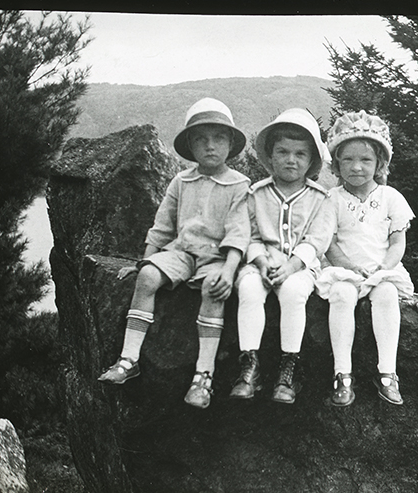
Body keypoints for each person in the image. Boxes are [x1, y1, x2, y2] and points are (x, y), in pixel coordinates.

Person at [98, 98, 251, 410]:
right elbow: (162, 226)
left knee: (213, 289)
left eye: (219, 138)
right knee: (148, 276)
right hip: (181, 253)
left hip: (216, 258)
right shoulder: (181, 181)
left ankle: (203, 376)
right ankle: (128, 358)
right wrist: (146, 259)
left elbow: (239, 232)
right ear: (190, 146)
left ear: (231, 143)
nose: (210, 146)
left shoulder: (239, 185)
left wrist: (229, 269)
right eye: (201, 139)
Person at [230, 108, 334, 404]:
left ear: (312, 160)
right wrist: (260, 261)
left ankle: (289, 366)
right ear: (270, 156)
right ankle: (249, 366)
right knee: (248, 287)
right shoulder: (257, 194)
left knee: (292, 292)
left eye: (301, 154)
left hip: (300, 267)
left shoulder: (319, 198)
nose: (291, 160)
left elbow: (318, 239)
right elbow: (249, 235)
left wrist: (292, 265)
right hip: (262, 262)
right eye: (283, 152)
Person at [315, 110, 415, 407]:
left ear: (380, 164)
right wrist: (346, 265)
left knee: (386, 294)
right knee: (342, 294)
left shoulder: (390, 197)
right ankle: (342, 374)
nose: (356, 167)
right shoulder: (332, 200)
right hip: (345, 271)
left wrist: (386, 266)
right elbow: (328, 243)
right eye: (348, 160)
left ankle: (387, 372)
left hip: (381, 270)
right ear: (336, 164)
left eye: (366, 160)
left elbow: (397, 240)